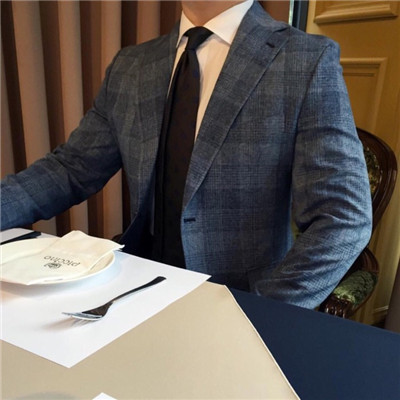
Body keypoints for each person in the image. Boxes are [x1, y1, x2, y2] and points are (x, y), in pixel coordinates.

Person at [0, 0, 372, 309]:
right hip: (128, 289)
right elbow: (70, 169)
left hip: (239, 299)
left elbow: (343, 217)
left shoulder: (305, 60)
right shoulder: (131, 66)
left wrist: (264, 312)